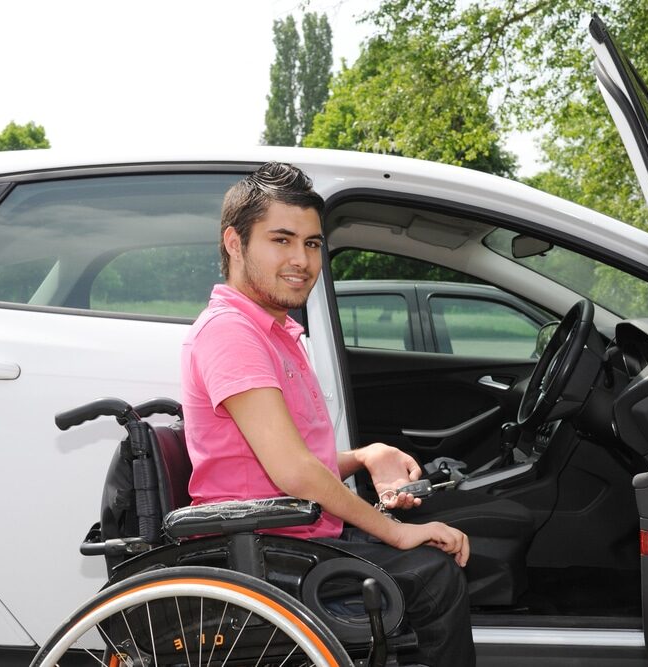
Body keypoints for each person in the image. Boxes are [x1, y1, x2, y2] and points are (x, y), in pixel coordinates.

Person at [181, 161, 475, 666]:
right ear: (235, 243)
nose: (302, 259)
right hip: (267, 549)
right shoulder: (232, 333)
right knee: (436, 574)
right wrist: (397, 532)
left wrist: (364, 456)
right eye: (282, 240)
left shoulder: (274, 331)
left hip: (296, 531)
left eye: (312, 244)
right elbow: (294, 473)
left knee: (450, 534)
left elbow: (284, 461)